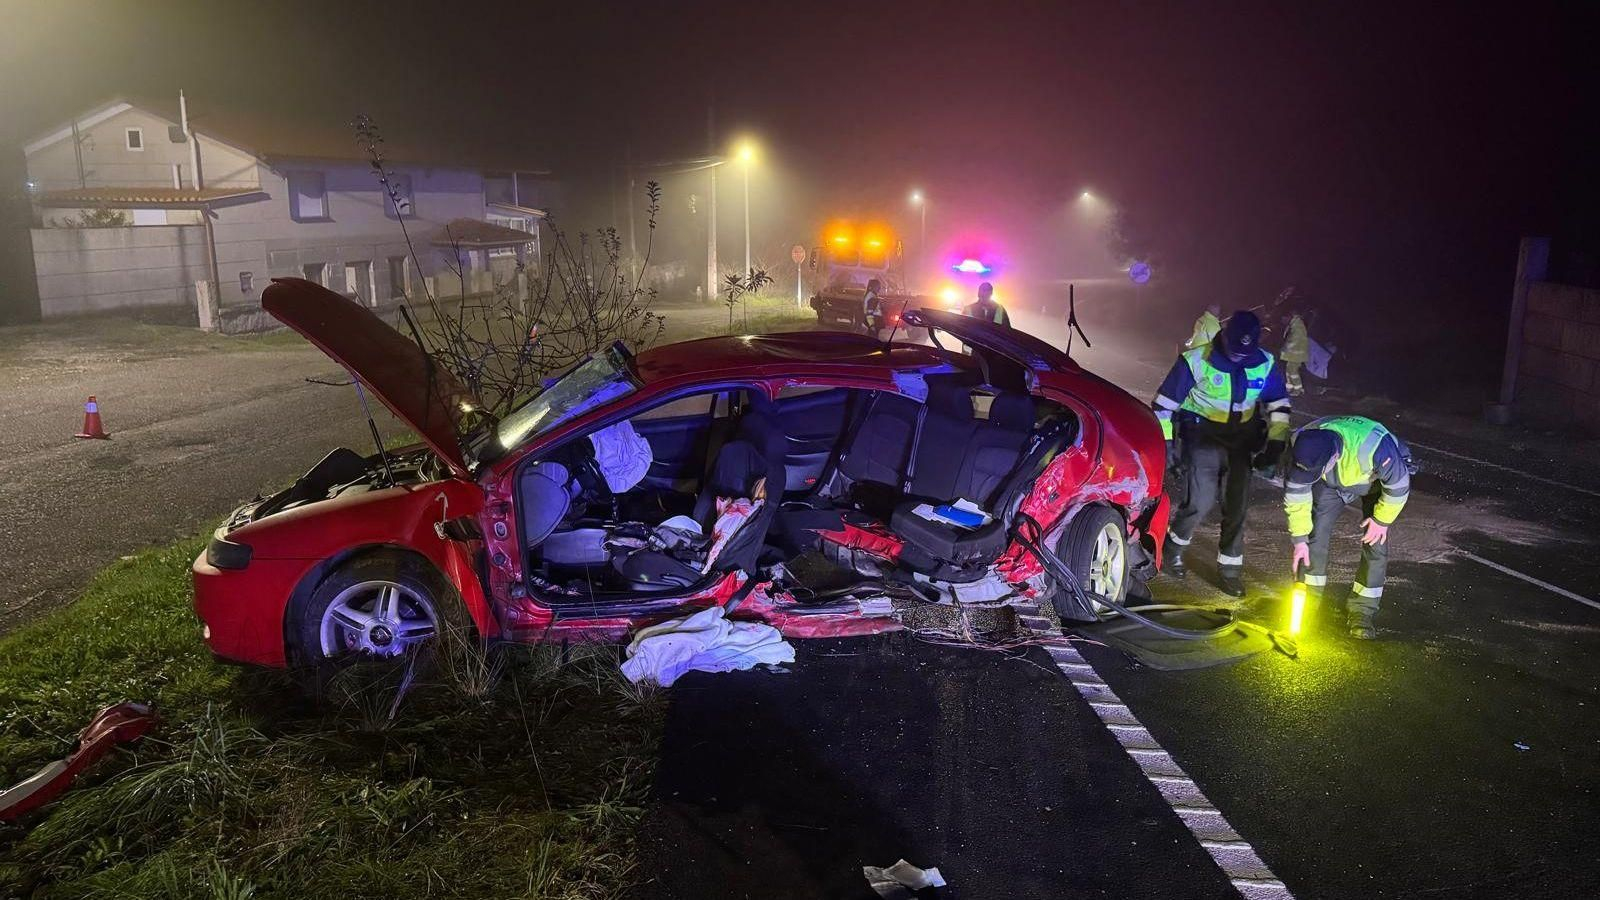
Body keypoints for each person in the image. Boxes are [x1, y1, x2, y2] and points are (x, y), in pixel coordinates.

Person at [1152, 310, 1291, 596]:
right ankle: (1174, 548)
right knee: (1199, 502)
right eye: (1234, 350)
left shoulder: (1264, 363)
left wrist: (1275, 446)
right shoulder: (1195, 360)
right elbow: (1162, 407)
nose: (1239, 356)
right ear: (1224, 337)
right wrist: (1167, 446)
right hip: (1202, 438)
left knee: (1236, 507)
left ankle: (1229, 569)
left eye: (1245, 352)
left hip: (1240, 442)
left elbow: (1278, 405)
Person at [1284, 415, 1412, 639]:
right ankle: (1309, 602)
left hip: (1373, 481)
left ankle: (1363, 611)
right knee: (1314, 536)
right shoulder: (1302, 445)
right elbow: (1297, 493)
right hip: (1332, 482)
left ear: (1333, 457)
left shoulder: (1375, 449)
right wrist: (1299, 539)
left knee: (1375, 543)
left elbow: (1399, 485)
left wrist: (1381, 521)